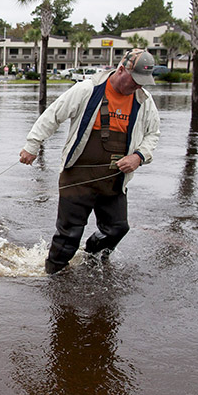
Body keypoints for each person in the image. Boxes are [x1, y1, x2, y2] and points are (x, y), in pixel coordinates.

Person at [19, 49, 161, 274]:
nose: (137, 86)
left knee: (117, 228)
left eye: (142, 82)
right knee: (68, 236)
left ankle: (90, 257)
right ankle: (52, 279)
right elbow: (53, 115)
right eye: (134, 80)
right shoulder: (88, 89)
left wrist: (139, 156)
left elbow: (153, 133)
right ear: (121, 69)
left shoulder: (143, 100)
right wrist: (32, 145)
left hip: (114, 179)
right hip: (77, 176)